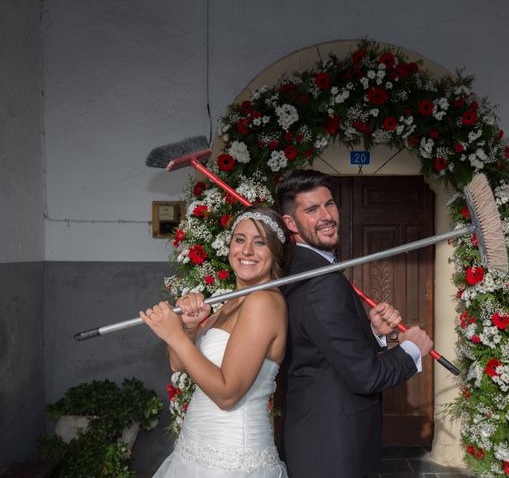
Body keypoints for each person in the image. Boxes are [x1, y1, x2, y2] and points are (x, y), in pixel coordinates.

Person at [275, 169, 434, 478]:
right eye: (312, 209)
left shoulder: (305, 268)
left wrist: (372, 332)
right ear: (290, 224)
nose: (327, 216)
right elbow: (366, 377)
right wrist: (412, 349)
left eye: (329, 204)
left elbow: (321, 350)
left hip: (320, 436)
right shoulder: (319, 281)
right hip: (332, 446)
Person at [139, 206, 289, 478]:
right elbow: (178, 363)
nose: (246, 251)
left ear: (275, 252)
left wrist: (172, 333)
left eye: (260, 243)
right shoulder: (229, 301)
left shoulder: (263, 302)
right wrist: (189, 328)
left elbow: (227, 394)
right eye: (240, 239)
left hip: (232, 459)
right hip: (195, 449)